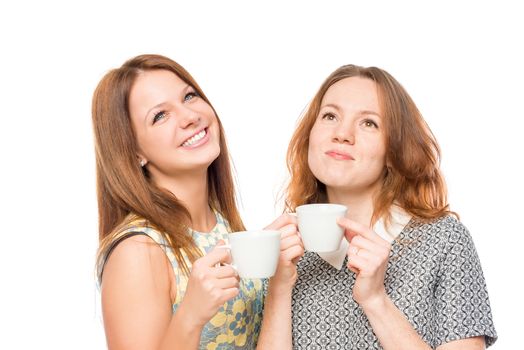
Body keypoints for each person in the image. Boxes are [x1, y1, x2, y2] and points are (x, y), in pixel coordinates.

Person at [266, 64, 498, 349]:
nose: (342, 134)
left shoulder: (445, 241)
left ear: (394, 152)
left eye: (369, 123)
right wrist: (278, 287)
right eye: (330, 116)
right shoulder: (284, 253)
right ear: (309, 137)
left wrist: (376, 300)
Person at [92, 54, 302, 349]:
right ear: (134, 153)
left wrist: (277, 273)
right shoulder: (137, 251)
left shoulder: (224, 226)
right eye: (160, 115)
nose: (190, 116)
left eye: (189, 96)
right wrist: (190, 315)